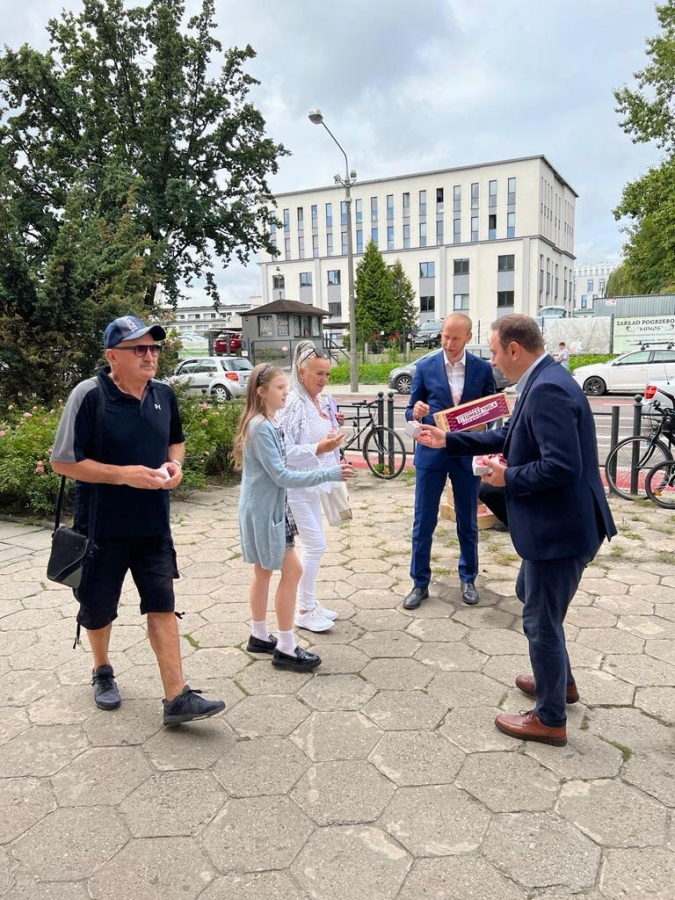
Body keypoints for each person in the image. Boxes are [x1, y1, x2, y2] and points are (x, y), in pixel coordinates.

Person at [416, 314, 616, 747]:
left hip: (559, 529)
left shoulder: (546, 389)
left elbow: (562, 466)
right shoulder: (543, 379)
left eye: (493, 352)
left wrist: (508, 478)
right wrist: (448, 439)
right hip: (560, 525)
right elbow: (508, 434)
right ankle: (559, 683)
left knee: (540, 620)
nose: (491, 361)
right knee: (532, 596)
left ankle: (550, 718)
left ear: (513, 349)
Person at [51, 315, 225, 726]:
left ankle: (176, 697)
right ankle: (102, 669)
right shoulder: (89, 395)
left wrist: (175, 465)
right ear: (113, 356)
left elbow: (176, 442)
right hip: (102, 528)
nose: (150, 355)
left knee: (162, 604)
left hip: (153, 526)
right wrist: (123, 475)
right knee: (99, 609)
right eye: (139, 349)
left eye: (154, 348)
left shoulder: (163, 394)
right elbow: (63, 462)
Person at [233, 364, 354, 672]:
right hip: (267, 510)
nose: (286, 393)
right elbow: (282, 475)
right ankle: (286, 647)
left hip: (266, 507)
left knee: (263, 571)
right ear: (261, 392)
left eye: (286, 387)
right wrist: (329, 472)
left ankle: (259, 634)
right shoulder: (261, 427)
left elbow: (282, 466)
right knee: (293, 570)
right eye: (280, 388)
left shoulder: (266, 422)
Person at [403, 313, 496, 610]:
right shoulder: (425, 366)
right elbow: (410, 411)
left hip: (466, 452)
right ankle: (419, 583)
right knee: (423, 520)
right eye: (445, 336)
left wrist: (485, 425)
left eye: (455, 338)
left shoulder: (482, 369)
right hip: (431, 454)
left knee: (467, 519)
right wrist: (417, 412)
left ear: (468, 337)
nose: (449, 343)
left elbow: (493, 410)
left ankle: (468, 578)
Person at [279, 341, 346, 633]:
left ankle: (309, 602)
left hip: (314, 483)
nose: (324, 380)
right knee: (316, 545)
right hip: (297, 486)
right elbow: (283, 450)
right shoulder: (294, 403)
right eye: (319, 373)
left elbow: (321, 433)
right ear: (301, 371)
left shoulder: (318, 400)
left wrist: (333, 425)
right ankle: (304, 610)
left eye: (327, 374)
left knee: (314, 546)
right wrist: (321, 448)